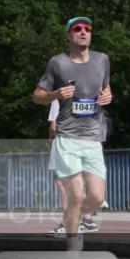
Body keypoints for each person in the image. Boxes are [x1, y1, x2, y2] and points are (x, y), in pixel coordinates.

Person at [33, 17, 112, 252]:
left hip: (93, 138)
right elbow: (37, 96)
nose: (83, 32)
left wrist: (108, 95)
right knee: (76, 195)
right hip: (67, 138)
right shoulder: (58, 63)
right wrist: (56, 94)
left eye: (87, 29)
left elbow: (106, 87)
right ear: (68, 35)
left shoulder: (102, 60)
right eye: (77, 29)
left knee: (96, 197)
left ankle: (72, 219)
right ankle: (73, 249)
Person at [45, 100, 99, 236]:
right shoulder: (86, 97)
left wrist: (50, 140)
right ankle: (87, 221)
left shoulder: (59, 98)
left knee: (63, 184)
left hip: (64, 143)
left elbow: (53, 127)